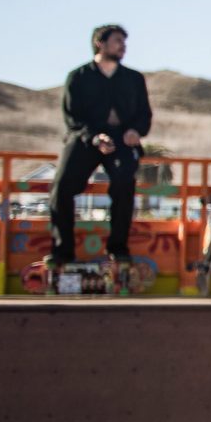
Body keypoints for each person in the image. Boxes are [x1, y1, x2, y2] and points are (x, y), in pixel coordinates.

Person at [48, 24, 152, 266]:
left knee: (125, 184)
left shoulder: (134, 78)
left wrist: (135, 131)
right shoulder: (79, 77)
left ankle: (118, 250)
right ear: (100, 43)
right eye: (117, 41)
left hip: (122, 141)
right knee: (61, 189)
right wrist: (94, 137)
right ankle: (62, 253)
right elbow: (72, 117)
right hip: (86, 138)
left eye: (124, 42)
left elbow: (144, 114)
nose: (123, 46)